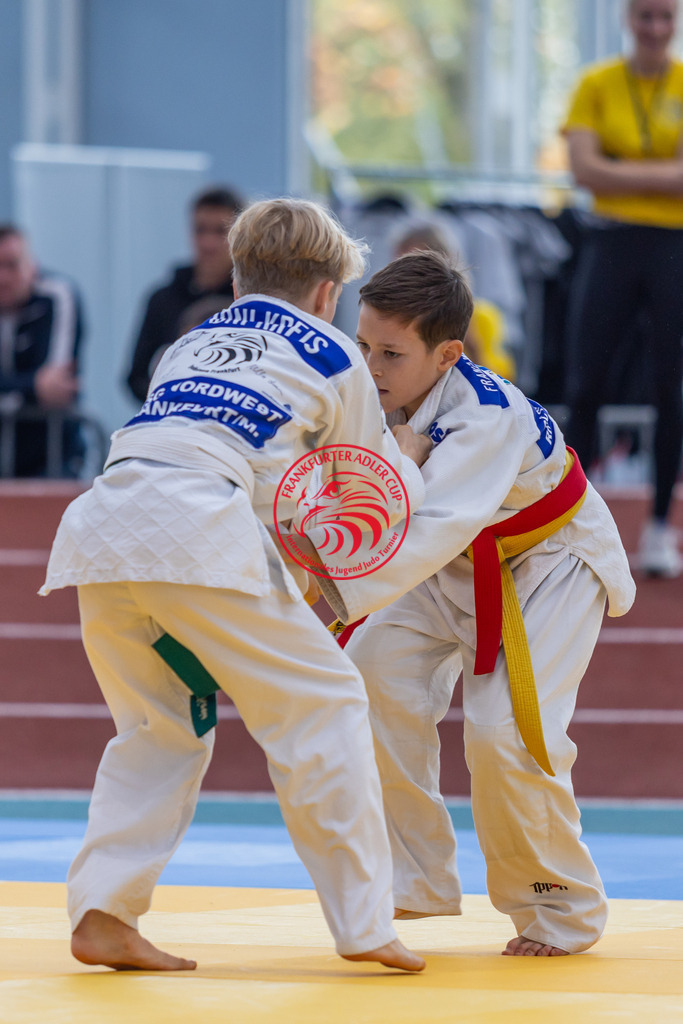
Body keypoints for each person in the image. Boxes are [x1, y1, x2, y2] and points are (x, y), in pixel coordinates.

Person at [39, 198, 430, 973]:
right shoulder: (332, 351)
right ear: (327, 292)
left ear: (238, 278)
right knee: (325, 705)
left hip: (103, 525)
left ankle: (104, 910)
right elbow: (364, 485)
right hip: (197, 526)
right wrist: (414, 460)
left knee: (158, 728)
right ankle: (364, 923)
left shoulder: (187, 343)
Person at [313, 250, 635, 957]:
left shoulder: (484, 418)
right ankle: (416, 875)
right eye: (362, 344)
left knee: (505, 733)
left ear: (447, 354)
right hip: (450, 563)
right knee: (369, 675)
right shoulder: (370, 394)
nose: (369, 366)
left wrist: (326, 590)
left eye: (390, 354)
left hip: (547, 565)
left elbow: (427, 528)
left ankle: (558, 906)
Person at [562, 0, 683, 577]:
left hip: (673, 247)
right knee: (586, 384)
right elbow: (582, 170)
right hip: (609, 243)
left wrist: (617, 169)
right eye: (644, 16)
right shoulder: (596, 84)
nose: (655, 28)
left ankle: (660, 527)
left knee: (670, 388)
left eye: (665, 17)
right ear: (627, 20)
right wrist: (663, 175)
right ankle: (569, 520)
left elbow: (601, 170)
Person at [126, 186, 245, 403]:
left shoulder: (250, 301)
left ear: (240, 237)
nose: (208, 243)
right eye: (200, 230)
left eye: (220, 231)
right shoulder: (162, 299)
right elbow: (136, 377)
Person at [0, 224, 83, 477]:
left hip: (52, 457)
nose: (3, 278)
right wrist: (33, 385)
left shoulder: (57, 295)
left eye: (12, 265)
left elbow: (55, 387)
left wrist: (12, 387)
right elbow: (42, 386)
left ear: (32, 265)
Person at [391, 220, 516, 380]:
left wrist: (471, 342)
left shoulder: (482, 317)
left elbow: (502, 382)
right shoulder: (392, 318)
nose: (404, 275)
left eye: (416, 267)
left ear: (443, 264)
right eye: (399, 265)